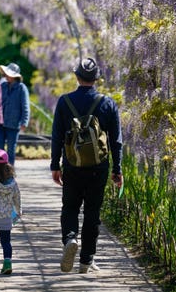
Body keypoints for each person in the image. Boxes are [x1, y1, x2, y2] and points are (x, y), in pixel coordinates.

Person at [50, 57, 123, 273]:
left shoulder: (65, 102)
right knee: (93, 212)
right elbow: (115, 140)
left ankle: (70, 238)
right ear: (96, 78)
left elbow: (56, 137)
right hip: (98, 166)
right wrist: (117, 169)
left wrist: (55, 165)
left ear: (76, 76)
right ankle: (86, 260)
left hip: (73, 164)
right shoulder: (108, 103)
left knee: (70, 207)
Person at [0, 63, 29, 165]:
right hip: (0, 123)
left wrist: (24, 122)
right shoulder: (2, 86)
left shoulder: (21, 88)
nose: (6, 76)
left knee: (11, 149)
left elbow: (25, 106)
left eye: (8, 74)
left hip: (14, 124)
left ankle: (9, 171)